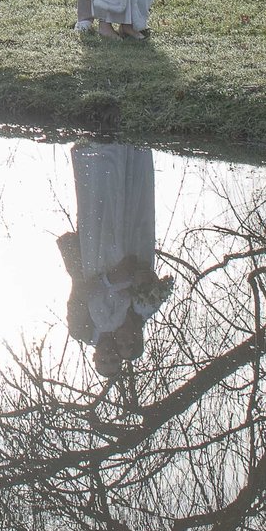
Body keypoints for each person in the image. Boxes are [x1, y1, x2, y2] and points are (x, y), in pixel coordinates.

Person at [57, 142, 170, 378]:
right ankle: (134, 151)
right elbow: (146, 289)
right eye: (114, 360)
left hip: (96, 259)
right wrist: (142, 276)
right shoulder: (135, 320)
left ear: (94, 357)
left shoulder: (82, 331)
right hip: (133, 255)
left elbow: (79, 293)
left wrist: (111, 278)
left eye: (104, 360)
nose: (110, 355)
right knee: (135, 214)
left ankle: (99, 153)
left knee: (104, 207)